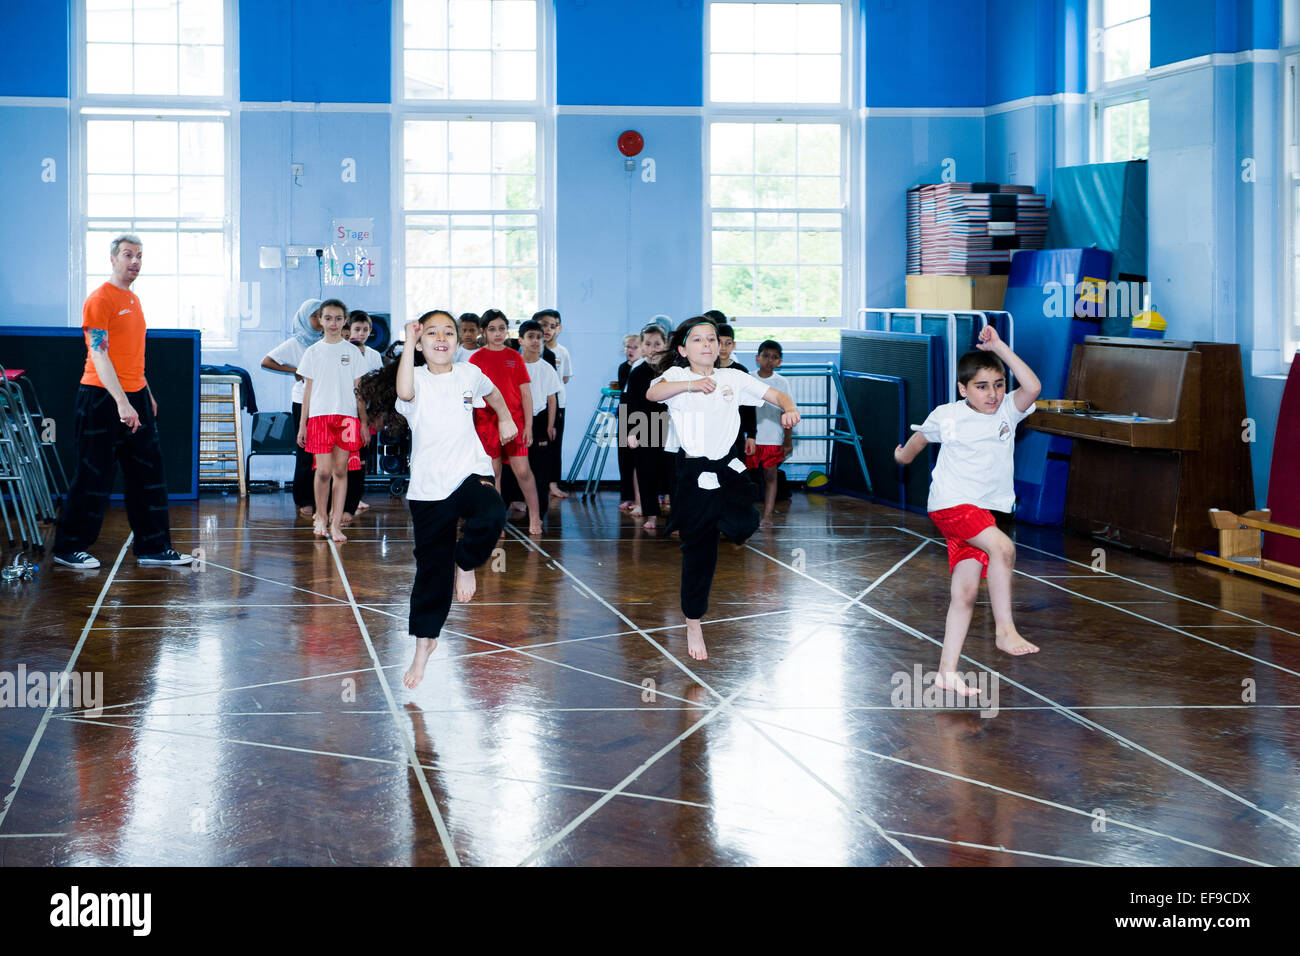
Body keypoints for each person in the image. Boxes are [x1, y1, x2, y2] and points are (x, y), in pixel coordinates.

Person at [893, 325, 1042, 697]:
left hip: (982, 513)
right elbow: (918, 440)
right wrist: (901, 456)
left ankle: (946, 671)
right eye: (981, 386)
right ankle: (1004, 630)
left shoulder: (1009, 410)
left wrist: (999, 348)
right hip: (952, 504)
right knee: (1003, 548)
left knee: (965, 593)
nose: (992, 394)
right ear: (963, 389)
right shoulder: (948, 415)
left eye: (997, 384)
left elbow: (1033, 387)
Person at [370, 311, 514, 689]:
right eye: (431, 332)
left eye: (448, 332)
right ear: (419, 343)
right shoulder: (413, 379)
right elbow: (403, 392)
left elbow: (494, 393)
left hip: (469, 472)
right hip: (429, 488)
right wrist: (406, 342)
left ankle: (464, 562)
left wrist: (503, 418)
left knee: (491, 513)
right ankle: (423, 645)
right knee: (431, 573)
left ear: (458, 340)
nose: (441, 338)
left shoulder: (469, 373)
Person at [647, 316, 800, 661]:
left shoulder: (733, 377)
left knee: (746, 523)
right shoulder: (678, 376)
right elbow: (652, 393)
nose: (707, 345)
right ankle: (693, 621)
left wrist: (789, 408)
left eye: (712, 339)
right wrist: (688, 387)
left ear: (720, 346)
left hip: (728, 469)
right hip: (693, 471)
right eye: (698, 340)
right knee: (699, 554)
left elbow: (775, 393)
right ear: (684, 349)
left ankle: (717, 521)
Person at [52, 234, 193, 569]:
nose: (135, 262)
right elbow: (99, 355)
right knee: (94, 475)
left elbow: (132, 355)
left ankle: (153, 547)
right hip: (101, 398)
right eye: (128, 255)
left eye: (140, 256)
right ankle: (68, 546)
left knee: (148, 474)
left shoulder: (134, 299)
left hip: (135, 396)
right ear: (113, 259)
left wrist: (144, 393)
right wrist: (121, 402)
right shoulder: (100, 299)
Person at [295, 299, 368, 543]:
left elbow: (359, 391)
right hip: (319, 417)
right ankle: (321, 517)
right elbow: (307, 391)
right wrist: (303, 424)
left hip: (347, 418)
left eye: (338, 318)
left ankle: (336, 524)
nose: (333, 323)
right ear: (320, 321)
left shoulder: (353, 352)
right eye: (328, 318)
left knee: (340, 470)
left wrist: (364, 423)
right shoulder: (313, 352)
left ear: (345, 320)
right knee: (323, 471)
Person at [470, 309, 543, 535]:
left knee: (522, 471)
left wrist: (529, 426)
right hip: (486, 423)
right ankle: (497, 521)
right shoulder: (476, 359)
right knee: (494, 472)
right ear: (484, 332)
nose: (498, 333)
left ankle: (535, 516)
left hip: (515, 422)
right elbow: (471, 395)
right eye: (492, 329)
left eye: (502, 328)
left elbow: (526, 394)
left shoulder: (515, 357)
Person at [261, 299, 324, 517]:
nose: (318, 320)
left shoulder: (328, 341)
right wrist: (294, 370)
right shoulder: (295, 343)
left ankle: (322, 498)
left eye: (321, 315)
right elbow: (266, 361)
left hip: (326, 401)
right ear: (305, 318)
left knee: (324, 450)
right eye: (314, 316)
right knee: (306, 451)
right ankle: (303, 498)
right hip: (302, 401)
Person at [622, 323, 670, 531]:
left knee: (671, 473)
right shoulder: (638, 372)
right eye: (648, 344)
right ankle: (651, 514)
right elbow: (630, 403)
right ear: (642, 346)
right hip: (644, 427)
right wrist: (630, 432)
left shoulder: (674, 371)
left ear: (666, 344)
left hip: (670, 428)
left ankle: (676, 518)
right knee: (646, 473)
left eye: (657, 343)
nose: (653, 348)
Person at [342, 310, 385, 524]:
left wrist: (375, 416)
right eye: (357, 329)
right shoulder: (342, 352)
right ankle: (341, 500)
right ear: (348, 330)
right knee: (343, 459)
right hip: (344, 412)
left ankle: (355, 498)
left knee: (360, 459)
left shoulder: (374, 356)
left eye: (366, 329)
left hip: (365, 414)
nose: (361, 333)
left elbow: (378, 388)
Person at [746, 339, 794, 527]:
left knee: (771, 476)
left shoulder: (782, 383)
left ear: (779, 362)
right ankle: (747, 514)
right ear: (757, 358)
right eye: (766, 356)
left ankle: (767, 515)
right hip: (751, 439)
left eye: (774, 358)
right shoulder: (748, 378)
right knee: (747, 479)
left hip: (773, 438)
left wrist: (788, 441)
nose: (769, 360)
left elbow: (788, 413)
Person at [536, 309, 571, 500]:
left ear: (559, 328)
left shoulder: (562, 352)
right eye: (543, 324)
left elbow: (564, 378)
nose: (547, 329)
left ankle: (553, 484)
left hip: (557, 403)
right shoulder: (530, 350)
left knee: (554, 444)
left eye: (552, 325)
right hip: (535, 404)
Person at [616, 333, 641, 510]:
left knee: (639, 458)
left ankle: (643, 497)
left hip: (641, 415)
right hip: (625, 413)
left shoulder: (645, 368)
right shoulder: (624, 368)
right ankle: (627, 496)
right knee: (624, 456)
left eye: (634, 347)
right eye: (627, 347)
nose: (630, 351)